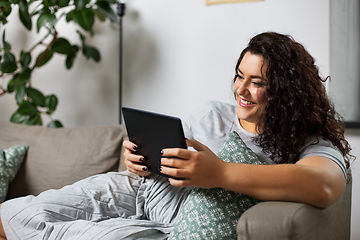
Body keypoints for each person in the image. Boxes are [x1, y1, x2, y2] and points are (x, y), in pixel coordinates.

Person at [0, 32, 353, 239]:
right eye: (239, 76)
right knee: (15, 214)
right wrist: (138, 159)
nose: (241, 90)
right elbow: (167, 151)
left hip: (179, 218)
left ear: (285, 91)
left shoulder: (306, 139)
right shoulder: (213, 114)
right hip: (140, 188)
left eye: (257, 82)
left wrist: (219, 174)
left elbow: (324, 185)